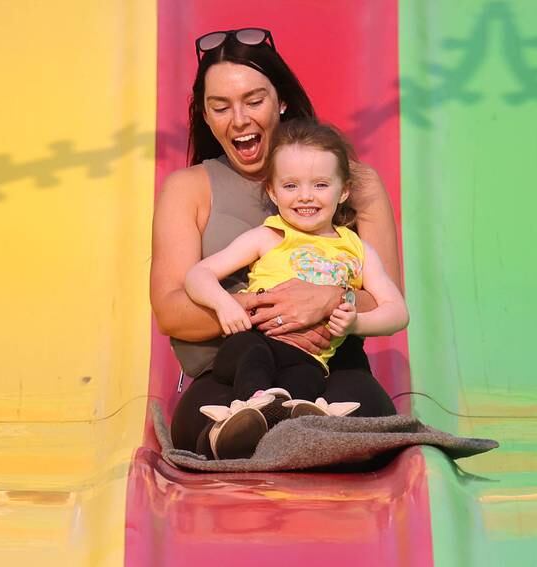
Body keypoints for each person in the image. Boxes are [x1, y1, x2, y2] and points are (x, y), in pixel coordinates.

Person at [151, 28, 402, 459]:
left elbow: (389, 299)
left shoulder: (356, 183)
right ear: (206, 117)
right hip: (233, 368)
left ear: (280, 100)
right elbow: (172, 312)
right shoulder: (188, 188)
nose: (240, 119)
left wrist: (328, 300)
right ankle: (271, 432)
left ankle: (300, 433)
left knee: (369, 415)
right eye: (221, 107)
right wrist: (265, 307)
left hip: (328, 363)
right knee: (199, 420)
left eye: (254, 100)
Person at [184, 120, 409, 458]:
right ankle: (248, 411)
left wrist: (355, 323)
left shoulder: (358, 250)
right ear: (273, 192)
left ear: (343, 190)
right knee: (253, 355)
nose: (305, 196)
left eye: (320, 184)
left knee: (308, 378)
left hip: (309, 356)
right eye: (291, 186)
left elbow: (396, 311)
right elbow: (198, 275)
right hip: (254, 341)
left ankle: (291, 424)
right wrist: (224, 304)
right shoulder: (268, 236)